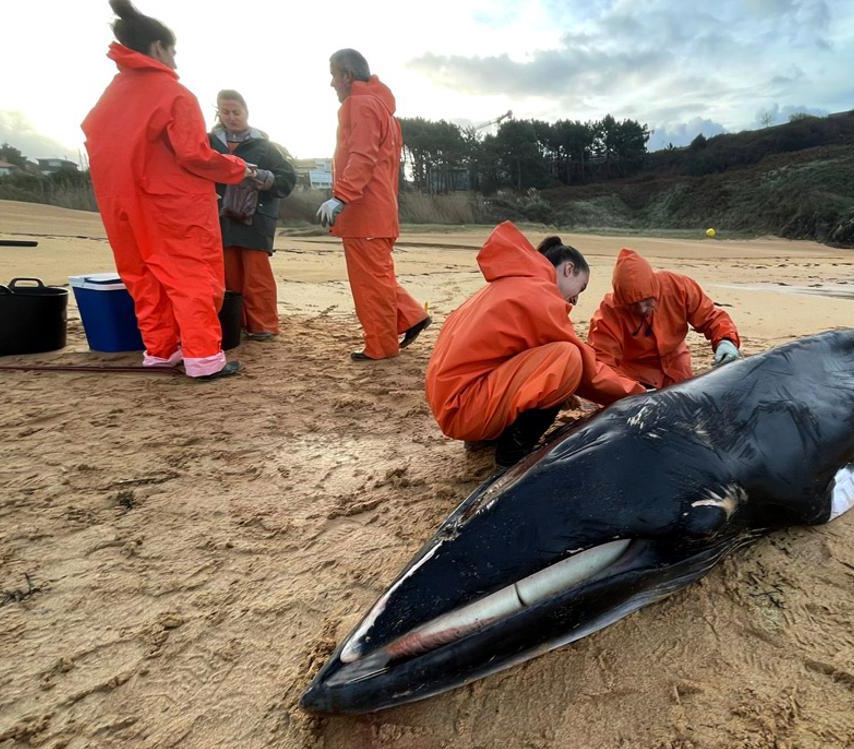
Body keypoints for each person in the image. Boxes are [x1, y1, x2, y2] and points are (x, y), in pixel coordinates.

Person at [83, 0, 252, 379]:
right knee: (191, 275)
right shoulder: (173, 93)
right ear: (158, 48)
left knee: (143, 276)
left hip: (119, 203)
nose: (175, 59)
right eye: (172, 51)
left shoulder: (112, 96)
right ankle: (204, 358)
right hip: (171, 205)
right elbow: (194, 153)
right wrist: (239, 168)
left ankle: (161, 351)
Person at [425, 222, 647, 468]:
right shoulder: (538, 295)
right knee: (568, 358)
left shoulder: (508, 286)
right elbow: (587, 370)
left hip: (454, 401)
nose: (575, 299)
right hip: (464, 409)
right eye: (580, 288)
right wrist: (639, 395)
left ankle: (485, 437)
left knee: (556, 364)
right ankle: (512, 456)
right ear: (569, 269)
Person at [317, 48, 430, 361]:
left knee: (370, 285)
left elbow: (362, 156)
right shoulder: (382, 108)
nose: (331, 84)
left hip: (365, 212)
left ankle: (380, 346)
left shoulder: (362, 105)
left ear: (347, 76)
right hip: (378, 210)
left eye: (333, 76)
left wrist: (341, 196)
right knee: (378, 278)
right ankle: (409, 317)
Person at [209, 90, 296, 341]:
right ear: (219, 113)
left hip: (255, 219)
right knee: (228, 276)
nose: (232, 117)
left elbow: (287, 180)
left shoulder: (265, 145)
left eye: (237, 112)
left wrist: (261, 177)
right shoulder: (208, 142)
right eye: (226, 112)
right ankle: (236, 323)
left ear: (247, 112)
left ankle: (263, 325)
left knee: (257, 275)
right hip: (220, 219)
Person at [587, 249, 741, 389]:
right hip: (635, 379)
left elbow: (712, 317)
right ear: (621, 300)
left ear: (655, 288)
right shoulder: (608, 314)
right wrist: (632, 391)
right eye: (633, 305)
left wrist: (726, 340)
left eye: (647, 302)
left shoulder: (679, 287)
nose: (642, 309)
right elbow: (602, 363)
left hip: (677, 369)